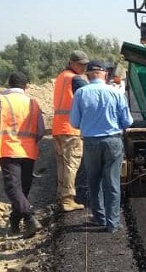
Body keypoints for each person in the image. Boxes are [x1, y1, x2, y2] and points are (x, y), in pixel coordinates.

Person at [70, 60, 133, 233]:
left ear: (88, 75)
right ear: (105, 74)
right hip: (113, 141)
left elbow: (74, 122)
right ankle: (112, 223)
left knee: (94, 181)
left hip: (91, 142)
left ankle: (99, 217)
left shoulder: (81, 93)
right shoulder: (116, 92)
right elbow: (127, 121)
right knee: (112, 182)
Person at [0, 72, 45, 237]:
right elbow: (40, 131)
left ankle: (29, 217)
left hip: (8, 149)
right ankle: (15, 221)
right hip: (29, 151)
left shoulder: (1, 101)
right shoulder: (33, 103)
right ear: (26, 86)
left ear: (9, 84)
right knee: (22, 188)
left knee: (12, 187)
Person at [52, 50, 90, 212]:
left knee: (62, 164)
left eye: (85, 65)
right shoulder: (75, 79)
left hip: (58, 128)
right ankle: (68, 200)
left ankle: (62, 196)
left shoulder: (61, 77)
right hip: (71, 128)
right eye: (80, 64)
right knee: (71, 164)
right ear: (71, 63)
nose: (83, 68)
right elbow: (91, 95)